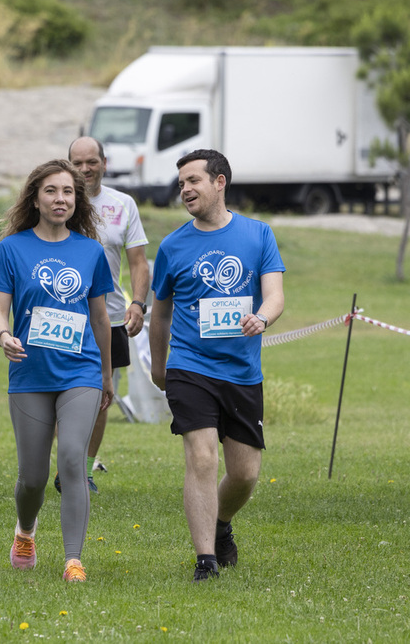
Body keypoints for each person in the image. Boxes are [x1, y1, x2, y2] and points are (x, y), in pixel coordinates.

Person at [149, 149, 285, 582]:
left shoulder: (258, 234)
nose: (185, 189)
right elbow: (162, 313)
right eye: (181, 183)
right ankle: (205, 559)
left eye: (194, 181)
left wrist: (262, 317)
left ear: (219, 182)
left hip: (243, 373)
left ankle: (221, 524)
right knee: (203, 458)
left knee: (244, 474)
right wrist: (159, 365)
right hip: (190, 366)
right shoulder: (172, 245)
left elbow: (275, 295)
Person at [0, 159, 114, 583]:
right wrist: (4, 336)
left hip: (81, 371)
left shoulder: (91, 251)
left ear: (77, 201)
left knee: (73, 459)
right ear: (35, 199)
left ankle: (73, 559)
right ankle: (25, 531)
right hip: (29, 375)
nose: (60, 199)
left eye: (68, 192)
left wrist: (107, 375)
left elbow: (100, 320)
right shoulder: (12, 248)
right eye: (51, 191)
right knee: (33, 477)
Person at [65, 136, 151, 494]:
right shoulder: (58, 200)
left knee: (103, 394)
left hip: (111, 316)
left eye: (92, 162)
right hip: (62, 314)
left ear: (104, 161)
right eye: (78, 163)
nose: (85, 169)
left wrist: (138, 303)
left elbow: (138, 262)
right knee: (61, 391)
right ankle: (66, 464)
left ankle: (82, 471)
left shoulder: (123, 204)